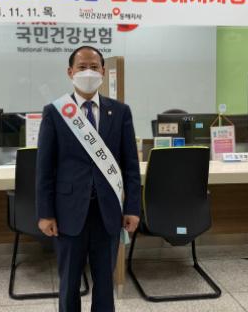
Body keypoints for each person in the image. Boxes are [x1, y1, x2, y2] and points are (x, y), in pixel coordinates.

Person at [36, 46, 141, 312]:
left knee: (105, 285)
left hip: (108, 213)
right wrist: (45, 213)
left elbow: (130, 166)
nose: (88, 72)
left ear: (103, 72)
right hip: (68, 212)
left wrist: (132, 208)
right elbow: (44, 169)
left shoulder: (120, 112)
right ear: (70, 72)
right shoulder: (55, 112)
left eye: (94, 67)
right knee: (69, 283)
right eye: (82, 67)